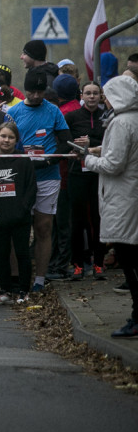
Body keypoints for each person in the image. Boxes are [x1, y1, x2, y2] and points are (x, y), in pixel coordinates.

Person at [79, 75, 138, 337]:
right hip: (130, 194)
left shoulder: (122, 123)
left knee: (128, 255)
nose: (103, 99)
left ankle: (137, 316)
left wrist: (87, 160)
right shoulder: (132, 119)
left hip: (123, 196)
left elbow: (114, 164)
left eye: (106, 94)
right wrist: (98, 150)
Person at [7, 68, 70, 292]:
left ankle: (40, 279)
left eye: (40, 92)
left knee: (43, 228)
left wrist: (47, 162)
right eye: (32, 91)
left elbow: (65, 142)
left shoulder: (54, 112)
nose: (35, 96)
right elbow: (6, 145)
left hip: (47, 176)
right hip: (21, 177)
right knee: (17, 227)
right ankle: (16, 278)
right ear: (24, 89)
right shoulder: (13, 112)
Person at [0, 122, 37, 304]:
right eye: (3, 136)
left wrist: (24, 209)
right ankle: (3, 290)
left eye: (10, 137)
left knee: (23, 253)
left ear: (17, 140)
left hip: (20, 217)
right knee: (1, 254)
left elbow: (32, 188)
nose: (6, 140)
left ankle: (24, 291)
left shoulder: (24, 160)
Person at [65, 81, 107, 279]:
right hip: (77, 173)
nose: (91, 97)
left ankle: (99, 263)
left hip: (99, 173)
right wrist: (77, 146)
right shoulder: (72, 116)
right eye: (88, 93)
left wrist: (91, 145)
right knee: (78, 219)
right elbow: (65, 141)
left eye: (95, 93)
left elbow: (111, 142)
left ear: (101, 96)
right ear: (81, 95)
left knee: (98, 218)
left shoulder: (106, 117)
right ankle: (78, 264)